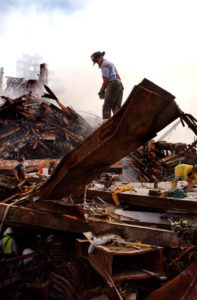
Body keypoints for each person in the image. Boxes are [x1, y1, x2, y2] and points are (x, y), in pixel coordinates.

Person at [90, 51, 123, 123]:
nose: (97, 63)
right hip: (119, 84)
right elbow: (117, 76)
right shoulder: (110, 63)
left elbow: (106, 79)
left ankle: (107, 126)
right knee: (116, 107)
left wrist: (102, 89)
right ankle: (118, 123)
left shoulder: (104, 64)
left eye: (97, 61)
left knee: (106, 106)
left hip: (113, 83)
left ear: (101, 57)